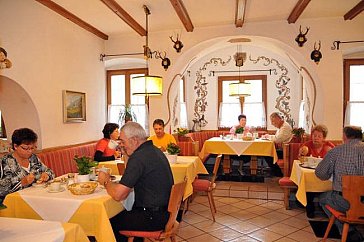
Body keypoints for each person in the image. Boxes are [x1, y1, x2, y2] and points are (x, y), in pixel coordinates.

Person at [98, 122, 174, 242]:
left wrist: (106, 181)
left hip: (152, 217)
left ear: (134, 140)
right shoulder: (153, 150)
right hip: (165, 213)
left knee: (106, 222)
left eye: (123, 142)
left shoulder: (139, 158)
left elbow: (118, 195)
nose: (121, 145)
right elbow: (131, 174)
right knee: (125, 212)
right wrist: (126, 153)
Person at [315, 126, 364, 241]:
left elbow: (321, 173)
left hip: (345, 201)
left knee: (323, 198)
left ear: (345, 136)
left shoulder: (337, 151)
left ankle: (349, 231)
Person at [0, 128, 54, 198]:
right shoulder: (4, 162)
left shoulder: (33, 158)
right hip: (13, 202)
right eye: (25, 148)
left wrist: (47, 175)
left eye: (32, 148)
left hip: (36, 197)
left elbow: (50, 172)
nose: (30, 151)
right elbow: (1, 190)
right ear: (15, 146)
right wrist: (21, 183)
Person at [299, 124, 335, 218]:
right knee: (308, 183)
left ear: (324, 137)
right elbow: (300, 159)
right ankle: (309, 207)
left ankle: (326, 208)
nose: (316, 138)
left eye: (319, 136)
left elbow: (335, 160)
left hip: (324, 175)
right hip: (310, 173)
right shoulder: (307, 145)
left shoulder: (329, 146)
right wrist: (301, 153)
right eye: (314, 135)